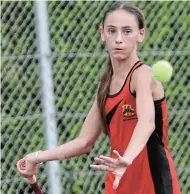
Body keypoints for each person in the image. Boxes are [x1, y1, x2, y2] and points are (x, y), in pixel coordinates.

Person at [17, 2, 181, 194]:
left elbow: (147, 123)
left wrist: (126, 158)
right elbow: (84, 141)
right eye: (112, 31)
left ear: (141, 35)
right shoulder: (105, 86)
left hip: (154, 184)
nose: (118, 39)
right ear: (102, 34)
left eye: (127, 31)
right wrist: (36, 157)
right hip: (118, 184)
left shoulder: (144, 75)